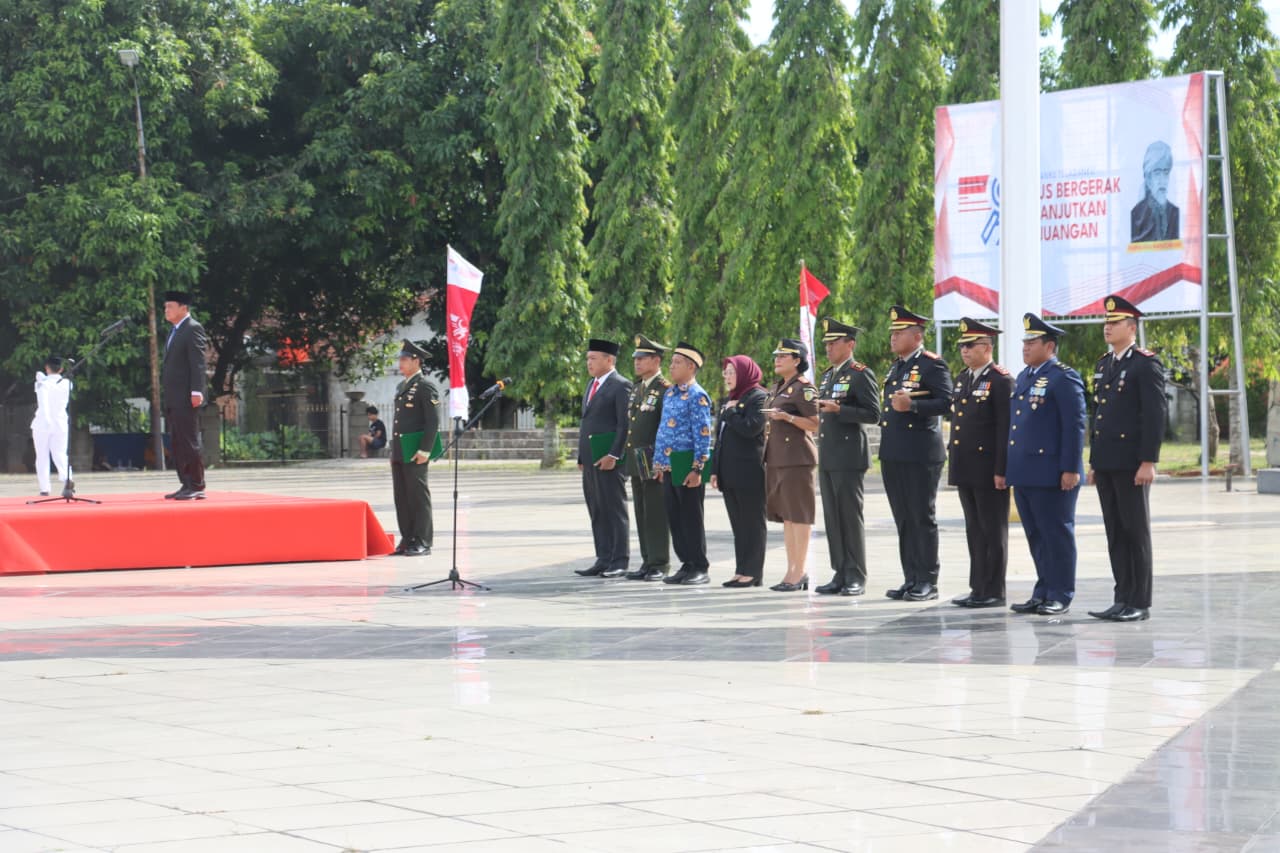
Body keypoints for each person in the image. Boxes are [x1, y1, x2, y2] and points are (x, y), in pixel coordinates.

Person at [1087, 295, 1168, 623]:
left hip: (1132, 463)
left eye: (1114, 322)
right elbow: (1100, 417)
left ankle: (1139, 601)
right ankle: (1122, 597)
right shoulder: (1104, 364)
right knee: (1115, 532)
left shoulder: (1144, 363)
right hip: (1107, 462)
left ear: (1132, 328)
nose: (1107, 327)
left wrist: (1148, 461)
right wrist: (1094, 461)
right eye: (1106, 322)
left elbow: (1154, 415)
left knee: (1136, 531)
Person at [1006, 313, 1087, 616]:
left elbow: (1074, 425)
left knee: (1057, 534)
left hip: (1053, 473)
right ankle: (1043, 590)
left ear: (1050, 346)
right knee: (1036, 535)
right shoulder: (1026, 376)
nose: (1025, 347)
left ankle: (1061, 593)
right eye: (1024, 342)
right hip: (1026, 472)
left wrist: (1070, 468)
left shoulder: (1063, 377)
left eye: (1032, 342)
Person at [879, 305, 954, 601]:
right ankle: (910, 577)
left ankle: (927, 580)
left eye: (899, 333)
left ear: (917, 335)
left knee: (921, 517)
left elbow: (947, 402)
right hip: (894, 453)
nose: (893, 338)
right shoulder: (896, 366)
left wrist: (913, 406)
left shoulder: (932, 365)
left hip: (921, 453)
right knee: (904, 519)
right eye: (892, 333)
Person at [947, 318, 1013, 608]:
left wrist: (1002, 469)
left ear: (987, 347)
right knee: (974, 529)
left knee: (992, 529)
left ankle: (994, 589)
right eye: (962, 345)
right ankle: (978, 587)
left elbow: (1004, 430)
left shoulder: (1000, 380)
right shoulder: (963, 378)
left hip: (988, 469)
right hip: (966, 467)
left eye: (970, 345)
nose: (964, 350)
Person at [814, 319, 880, 597]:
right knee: (833, 517)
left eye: (833, 343)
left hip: (849, 455)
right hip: (829, 455)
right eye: (826, 343)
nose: (828, 348)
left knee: (850, 517)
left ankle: (856, 574)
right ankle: (839, 571)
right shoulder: (829, 375)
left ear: (849, 344)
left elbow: (873, 414)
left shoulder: (860, 374)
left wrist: (840, 410)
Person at [653, 343, 714, 585]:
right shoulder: (669, 393)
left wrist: (698, 468)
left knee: (691, 517)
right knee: (675, 518)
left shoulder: (698, 395)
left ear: (691, 366)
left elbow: (703, 434)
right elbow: (662, 431)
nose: (671, 366)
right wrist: (659, 464)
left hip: (687, 466)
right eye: (672, 362)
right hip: (669, 466)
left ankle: (700, 566)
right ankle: (686, 564)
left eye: (677, 362)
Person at [763, 338, 819, 592]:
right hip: (777, 459)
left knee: (799, 516)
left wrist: (787, 417)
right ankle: (791, 570)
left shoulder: (803, 388)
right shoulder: (778, 387)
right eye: (776, 355)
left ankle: (800, 571)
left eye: (783, 356)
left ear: (797, 361)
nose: (777, 359)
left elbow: (815, 423)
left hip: (797, 459)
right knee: (787, 518)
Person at [575, 339, 633, 578]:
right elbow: (586, 423)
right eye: (587, 358)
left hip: (610, 460)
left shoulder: (622, 386)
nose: (589, 363)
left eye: (594, 358)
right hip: (590, 459)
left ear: (610, 360)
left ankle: (619, 560)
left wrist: (614, 454)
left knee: (614, 510)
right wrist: (581, 456)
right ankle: (603, 557)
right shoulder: (591, 384)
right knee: (597, 509)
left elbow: (624, 425)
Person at [711, 355, 768, 588]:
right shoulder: (730, 399)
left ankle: (753, 572)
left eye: (732, 372)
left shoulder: (759, 397)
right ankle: (741, 569)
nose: (727, 376)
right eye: (725, 372)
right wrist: (715, 470)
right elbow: (720, 439)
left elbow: (752, 428)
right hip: (729, 471)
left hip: (749, 471)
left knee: (753, 523)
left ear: (745, 373)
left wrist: (732, 413)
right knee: (738, 524)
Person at [623, 335, 673, 581]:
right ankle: (646, 561)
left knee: (655, 512)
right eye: (636, 359)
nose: (638, 363)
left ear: (656, 360)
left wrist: (662, 459)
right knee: (641, 511)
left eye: (643, 358)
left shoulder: (664, 389)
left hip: (654, 459)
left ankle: (659, 563)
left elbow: (666, 427)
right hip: (636, 459)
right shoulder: (637, 388)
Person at [389, 340, 440, 556]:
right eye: (400, 359)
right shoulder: (402, 386)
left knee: (418, 496)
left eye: (404, 359)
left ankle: (423, 540)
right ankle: (407, 538)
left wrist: (425, 450)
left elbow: (432, 422)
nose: (400, 363)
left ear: (416, 361)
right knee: (402, 496)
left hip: (416, 450)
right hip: (400, 449)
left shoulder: (425, 386)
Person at [160, 291, 208, 500]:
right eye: (165, 307)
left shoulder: (192, 328)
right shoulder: (174, 331)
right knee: (177, 441)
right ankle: (185, 483)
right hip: (174, 395)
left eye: (170, 306)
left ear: (183, 308)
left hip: (186, 395)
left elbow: (197, 363)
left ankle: (197, 483)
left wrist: (197, 391)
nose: (166, 310)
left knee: (189, 440)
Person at [31, 356, 71, 496]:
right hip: (59, 422)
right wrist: (43, 381)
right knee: (60, 454)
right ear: (61, 369)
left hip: (43, 423)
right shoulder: (67, 383)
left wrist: (42, 380)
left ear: (46, 368)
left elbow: (43, 401)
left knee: (42, 456)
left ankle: (44, 488)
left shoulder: (43, 383)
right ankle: (67, 479)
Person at [1130, 140, 1180, 243]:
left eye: (1165, 172)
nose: (1162, 180)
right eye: (1157, 173)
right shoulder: (1136, 215)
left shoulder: (1175, 213)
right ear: (1148, 178)